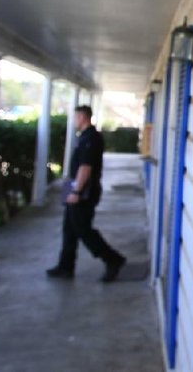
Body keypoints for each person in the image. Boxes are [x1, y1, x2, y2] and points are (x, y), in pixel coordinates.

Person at [46, 105, 126, 282]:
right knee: (69, 228)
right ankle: (65, 266)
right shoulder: (83, 137)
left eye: (75, 117)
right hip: (74, 184)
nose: (74, 120)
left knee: (83, 229)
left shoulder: (91, 138)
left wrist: (76, 190)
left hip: (84, 190)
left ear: (82, 117)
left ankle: (113, 259)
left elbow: (85, 167)